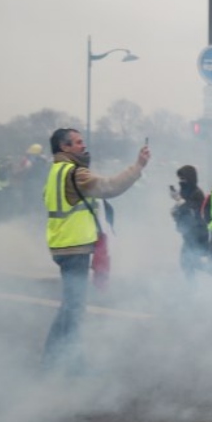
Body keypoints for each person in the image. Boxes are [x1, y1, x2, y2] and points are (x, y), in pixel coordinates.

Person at [41, 128, 150, 373]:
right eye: (78, 142)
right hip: (74, 247)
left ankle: (55, 361)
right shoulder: (74, 173)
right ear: (64, 147)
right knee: (74, 309)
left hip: (62, 245)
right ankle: (69, 366)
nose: (83, 146)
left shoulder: (55, 171)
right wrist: (138, 166)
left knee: (69, 307)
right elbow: (109, 187)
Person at [171, 165, 208, 281]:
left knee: (190, 262)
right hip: (188, 234)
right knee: (187, 263)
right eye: (180, 179)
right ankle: (193, 287)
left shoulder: (197, 193)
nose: (181, 182)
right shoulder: (185, 193)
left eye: (183, 179)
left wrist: (178, 200)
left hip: (197, 234)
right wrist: (175, 212)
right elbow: (182, 210)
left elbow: (191, 211)